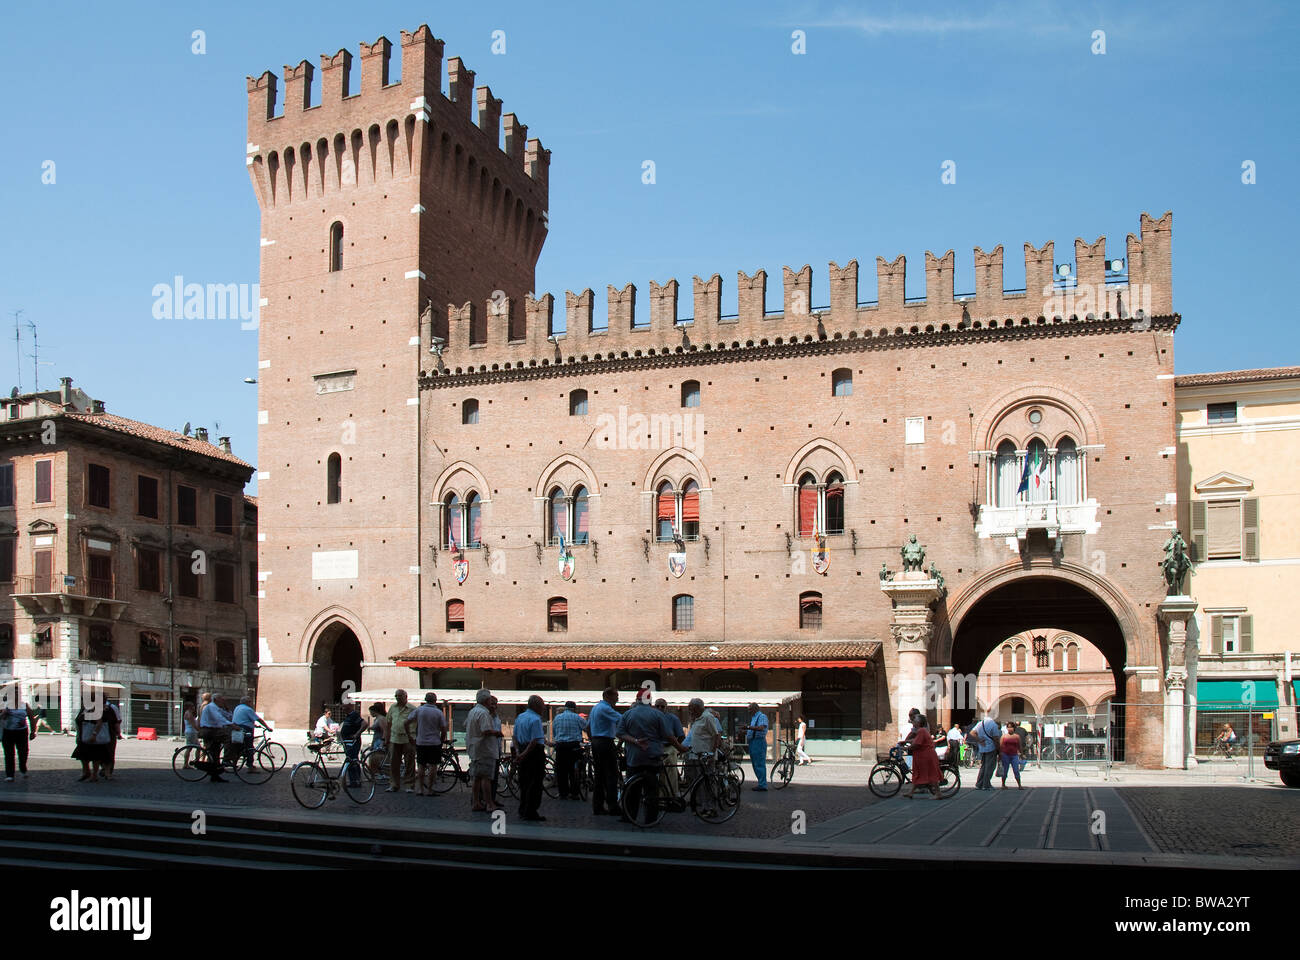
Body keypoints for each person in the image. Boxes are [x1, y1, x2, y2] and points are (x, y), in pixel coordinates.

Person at [616, 690, 685, 823]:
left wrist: (635, 741)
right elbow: (669, 736)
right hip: (652, 756)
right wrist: (680, 748)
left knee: (632, 788)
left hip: (634, 757)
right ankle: (651, 818)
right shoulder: (657, 714)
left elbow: (620, 733)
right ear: (650, 700)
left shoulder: (628, 714)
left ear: (637, 699)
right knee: (652, 789)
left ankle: (629, 816)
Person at [465, 689, 502, 812]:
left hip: (475, 749)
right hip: (484, 749)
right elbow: (485, 730)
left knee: (477, 777)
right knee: (486, 778)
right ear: (487, 700)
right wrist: (496, 732)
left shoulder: (473, 711)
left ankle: (476, 802)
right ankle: (489, 804)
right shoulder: (483, 713)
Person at [514, 695, 548, 821]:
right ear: (536, 706)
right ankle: (531, 811)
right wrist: (524, 754)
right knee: (535, 782)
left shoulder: (520, 717)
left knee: (524, 782)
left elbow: (514, 736)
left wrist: (519, 752)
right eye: (542, 705)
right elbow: (534, 740)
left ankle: (523, 809)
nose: (543, 708)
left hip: (522, 748)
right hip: (534, 753)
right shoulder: (535, 719)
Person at [588, 687, 621, 816]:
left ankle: (598, 805)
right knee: (611, 775)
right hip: (605, 742)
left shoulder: (595, 708)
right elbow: (621, 719)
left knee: (599, 776)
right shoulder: (606, 708)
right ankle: (613, 806)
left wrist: (593, 740)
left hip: (596, 742)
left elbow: (588, 727)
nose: (618, 699)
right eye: (616, 696)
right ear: (608, 696)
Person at [406, 693, 447, 796]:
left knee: (421, 765)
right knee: (433, 766)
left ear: (425, 700)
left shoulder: (419, 710)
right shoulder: (438, 712)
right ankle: (429, 789)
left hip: (421, 742)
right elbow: (444, 729)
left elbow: (406, 722)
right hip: (434, 742)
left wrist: (409, 736)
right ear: (435, 700)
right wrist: (441, 741)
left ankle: (420, 788)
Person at [552, 700, 587, 800]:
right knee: (574, 770)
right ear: (574, 709)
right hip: (573, 746)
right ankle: (574, 792)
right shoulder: (577, 717)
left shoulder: (557, 718)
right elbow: (586, 727)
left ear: (565, 707)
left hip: (560, 746)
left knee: (561, 770)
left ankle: (563, 793)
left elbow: (555, 732)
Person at [903, 715, 943, 799]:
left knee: (931, 774)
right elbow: (916, 740)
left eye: (915, 721)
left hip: (926, 756)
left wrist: (906, 747)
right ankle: (911, 792)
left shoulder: (921, 731)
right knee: (918, 773)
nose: (913, 722)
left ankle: (938, 794)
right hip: (924, 756)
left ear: (919, 723)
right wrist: (905, 741)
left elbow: (917, 743)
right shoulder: (921, 731)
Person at [198, 694, 236, 782]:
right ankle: (226, 759)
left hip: (214, 731)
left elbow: (228, 716)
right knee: (229, 737)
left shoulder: (218, 708)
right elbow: (219, 718)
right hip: (209, 731)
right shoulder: (211, 707)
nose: (223, 702)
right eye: (222, 700)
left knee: (215, 754)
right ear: (215, 700)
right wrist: (231, 725)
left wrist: (227, 709)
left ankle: (215, 776)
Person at [1, 693, 38, 782]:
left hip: (22, 732)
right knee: (9, 754)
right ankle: (10, 775)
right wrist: (4, 714)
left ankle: (23, 768)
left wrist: (33, 732)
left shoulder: (24, 705)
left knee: (23, 752)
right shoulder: (4, 706)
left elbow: (31, 718)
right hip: (8, 731)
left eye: (17, 694)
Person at [684, 698, 721, 784]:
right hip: (696, 756)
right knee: (697, 782)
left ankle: (707, 798)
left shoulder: (707, 717)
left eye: (691, 709)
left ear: (697, 708)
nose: (690, 712)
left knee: (705, 783)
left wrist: (712, 753)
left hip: (705, 757)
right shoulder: (697, 718)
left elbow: (716, 735)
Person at [654, 699, 686, 798]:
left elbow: (681, 736)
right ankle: (658, 796)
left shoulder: (673, 718)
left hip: (669, 747)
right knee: (655, 773)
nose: (659, 708)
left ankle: (671, 796)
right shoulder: (652, 717)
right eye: (657, 706)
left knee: (671, 773)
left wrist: (676, 748)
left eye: (662, 706)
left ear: (666, 707)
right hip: (655, 748)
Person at [72, 702, 111, 783]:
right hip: (84, 736)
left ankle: (94, 775)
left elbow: (99, 723)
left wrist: (94, 735)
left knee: (95, 757)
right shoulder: (84, 710)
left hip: (93, 738)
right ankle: (86, 772)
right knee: (82, 756)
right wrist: (78, 735)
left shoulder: (95, 710)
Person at [386, 689, 416, 793]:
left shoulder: (412, 709)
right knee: (394, 763)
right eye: (396, 696)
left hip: (408, 739)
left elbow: (418, 723)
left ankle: (409, 785)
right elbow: (388, 722)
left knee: (410, 763)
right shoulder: (392, 707)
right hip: (394, 738)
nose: (397, 698)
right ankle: (394, 784)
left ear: (405, 697)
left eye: (400, 696)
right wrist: (386, 737)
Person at [231, 697, 271, 770]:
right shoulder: (248, 709)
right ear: (246, 702)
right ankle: (250, 765)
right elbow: (259, 719)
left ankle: (234, 762)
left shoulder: (237, 707)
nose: (251, 703)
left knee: (239, 746)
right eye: (250, 701)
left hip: (236, 728)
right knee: (250, 747)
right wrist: (267, 727)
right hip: (246, 729)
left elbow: (243, 718)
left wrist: (254, 725)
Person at [337, 698, 370, 786]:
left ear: (349, 706)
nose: (342, 708)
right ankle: (354, 780)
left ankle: (355, 781)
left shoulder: (354, 715)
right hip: (347, 741)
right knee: (351, 760)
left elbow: (365, 724)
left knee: (352, 760)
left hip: (352, 742)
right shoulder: (348, 715)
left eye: (344, 706)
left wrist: (356, 734)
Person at [740, 702, 770, 791]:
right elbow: (754, 730)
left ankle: (762, 784)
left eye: (750, 709)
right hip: (753, 742)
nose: (748, 711)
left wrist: (748, 727)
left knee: (759, 763)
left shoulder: (761, 716)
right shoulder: (754, 717)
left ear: (754, 709)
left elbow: (761, 728)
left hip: (759, 742)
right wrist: (746, 732)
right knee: (755, 763)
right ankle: (761, 783)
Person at [970, 714, 1002, 790]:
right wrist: (999, 750)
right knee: (989, 766)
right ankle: (986, 784)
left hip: (982, 747)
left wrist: (979, 740)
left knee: (983, 766)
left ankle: (979, 784)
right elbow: (996, 739)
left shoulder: (980, 723)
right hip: (991, 748)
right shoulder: (993, 725)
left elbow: (972, 733)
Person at [999, 721, 1024, 789]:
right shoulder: (1003, 736)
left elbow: (1020, 746)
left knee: (1016, 770)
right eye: (1008, 727)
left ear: (1014, 728)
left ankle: (1019, 785)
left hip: (1014, 755)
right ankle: (1003, 784)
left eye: (1011, 727)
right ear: (1006, 728)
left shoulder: (1017, 736)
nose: (1010, 729)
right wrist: (999, 756)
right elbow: (1000, 747)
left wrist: (1021, 755)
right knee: (1005, 770)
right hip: (1005, 755)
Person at [366, 703, 388, 777]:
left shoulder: (381, 718)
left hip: (379, 740)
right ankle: (375, 774)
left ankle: (380, 774)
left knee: (377, 759)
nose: (370, 714)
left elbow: (385, 730)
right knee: (373, 758)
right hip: (376, 740)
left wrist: (383, 741)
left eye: (371, 712)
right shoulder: (377, 719)